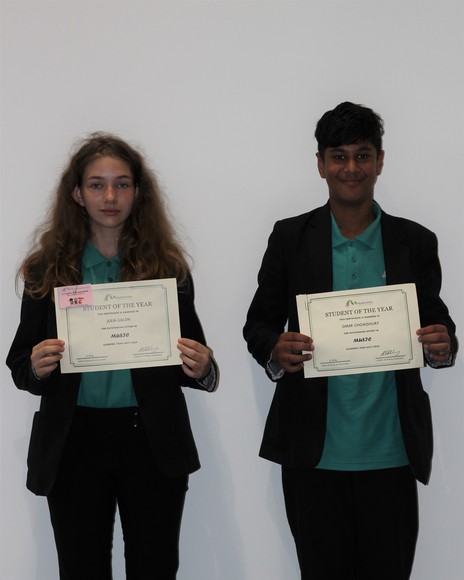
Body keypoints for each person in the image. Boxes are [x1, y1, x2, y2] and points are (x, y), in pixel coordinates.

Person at [243, 102, 457, 579]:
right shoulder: (290, 238)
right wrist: (276, 349)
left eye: (363, 155)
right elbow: (258, 324)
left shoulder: (415, 241)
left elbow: (436, 322)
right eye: (338, 156)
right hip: (312, 452)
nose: (351, 168)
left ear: (380, 161)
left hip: (391, 450)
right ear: (320, 164)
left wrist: (442, 347)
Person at [6, 133, 218, 580]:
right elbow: (20, 364)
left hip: (151, 441)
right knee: (80, 570)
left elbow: (193, 363)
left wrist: (202, 368)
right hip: (73, 442)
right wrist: (36, 367)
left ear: (138, 193)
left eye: (121, 184)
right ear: (76, 193)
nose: (109, 197)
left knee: (155, 568)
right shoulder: (47, 270)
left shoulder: (167, 269)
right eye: (97, 184)